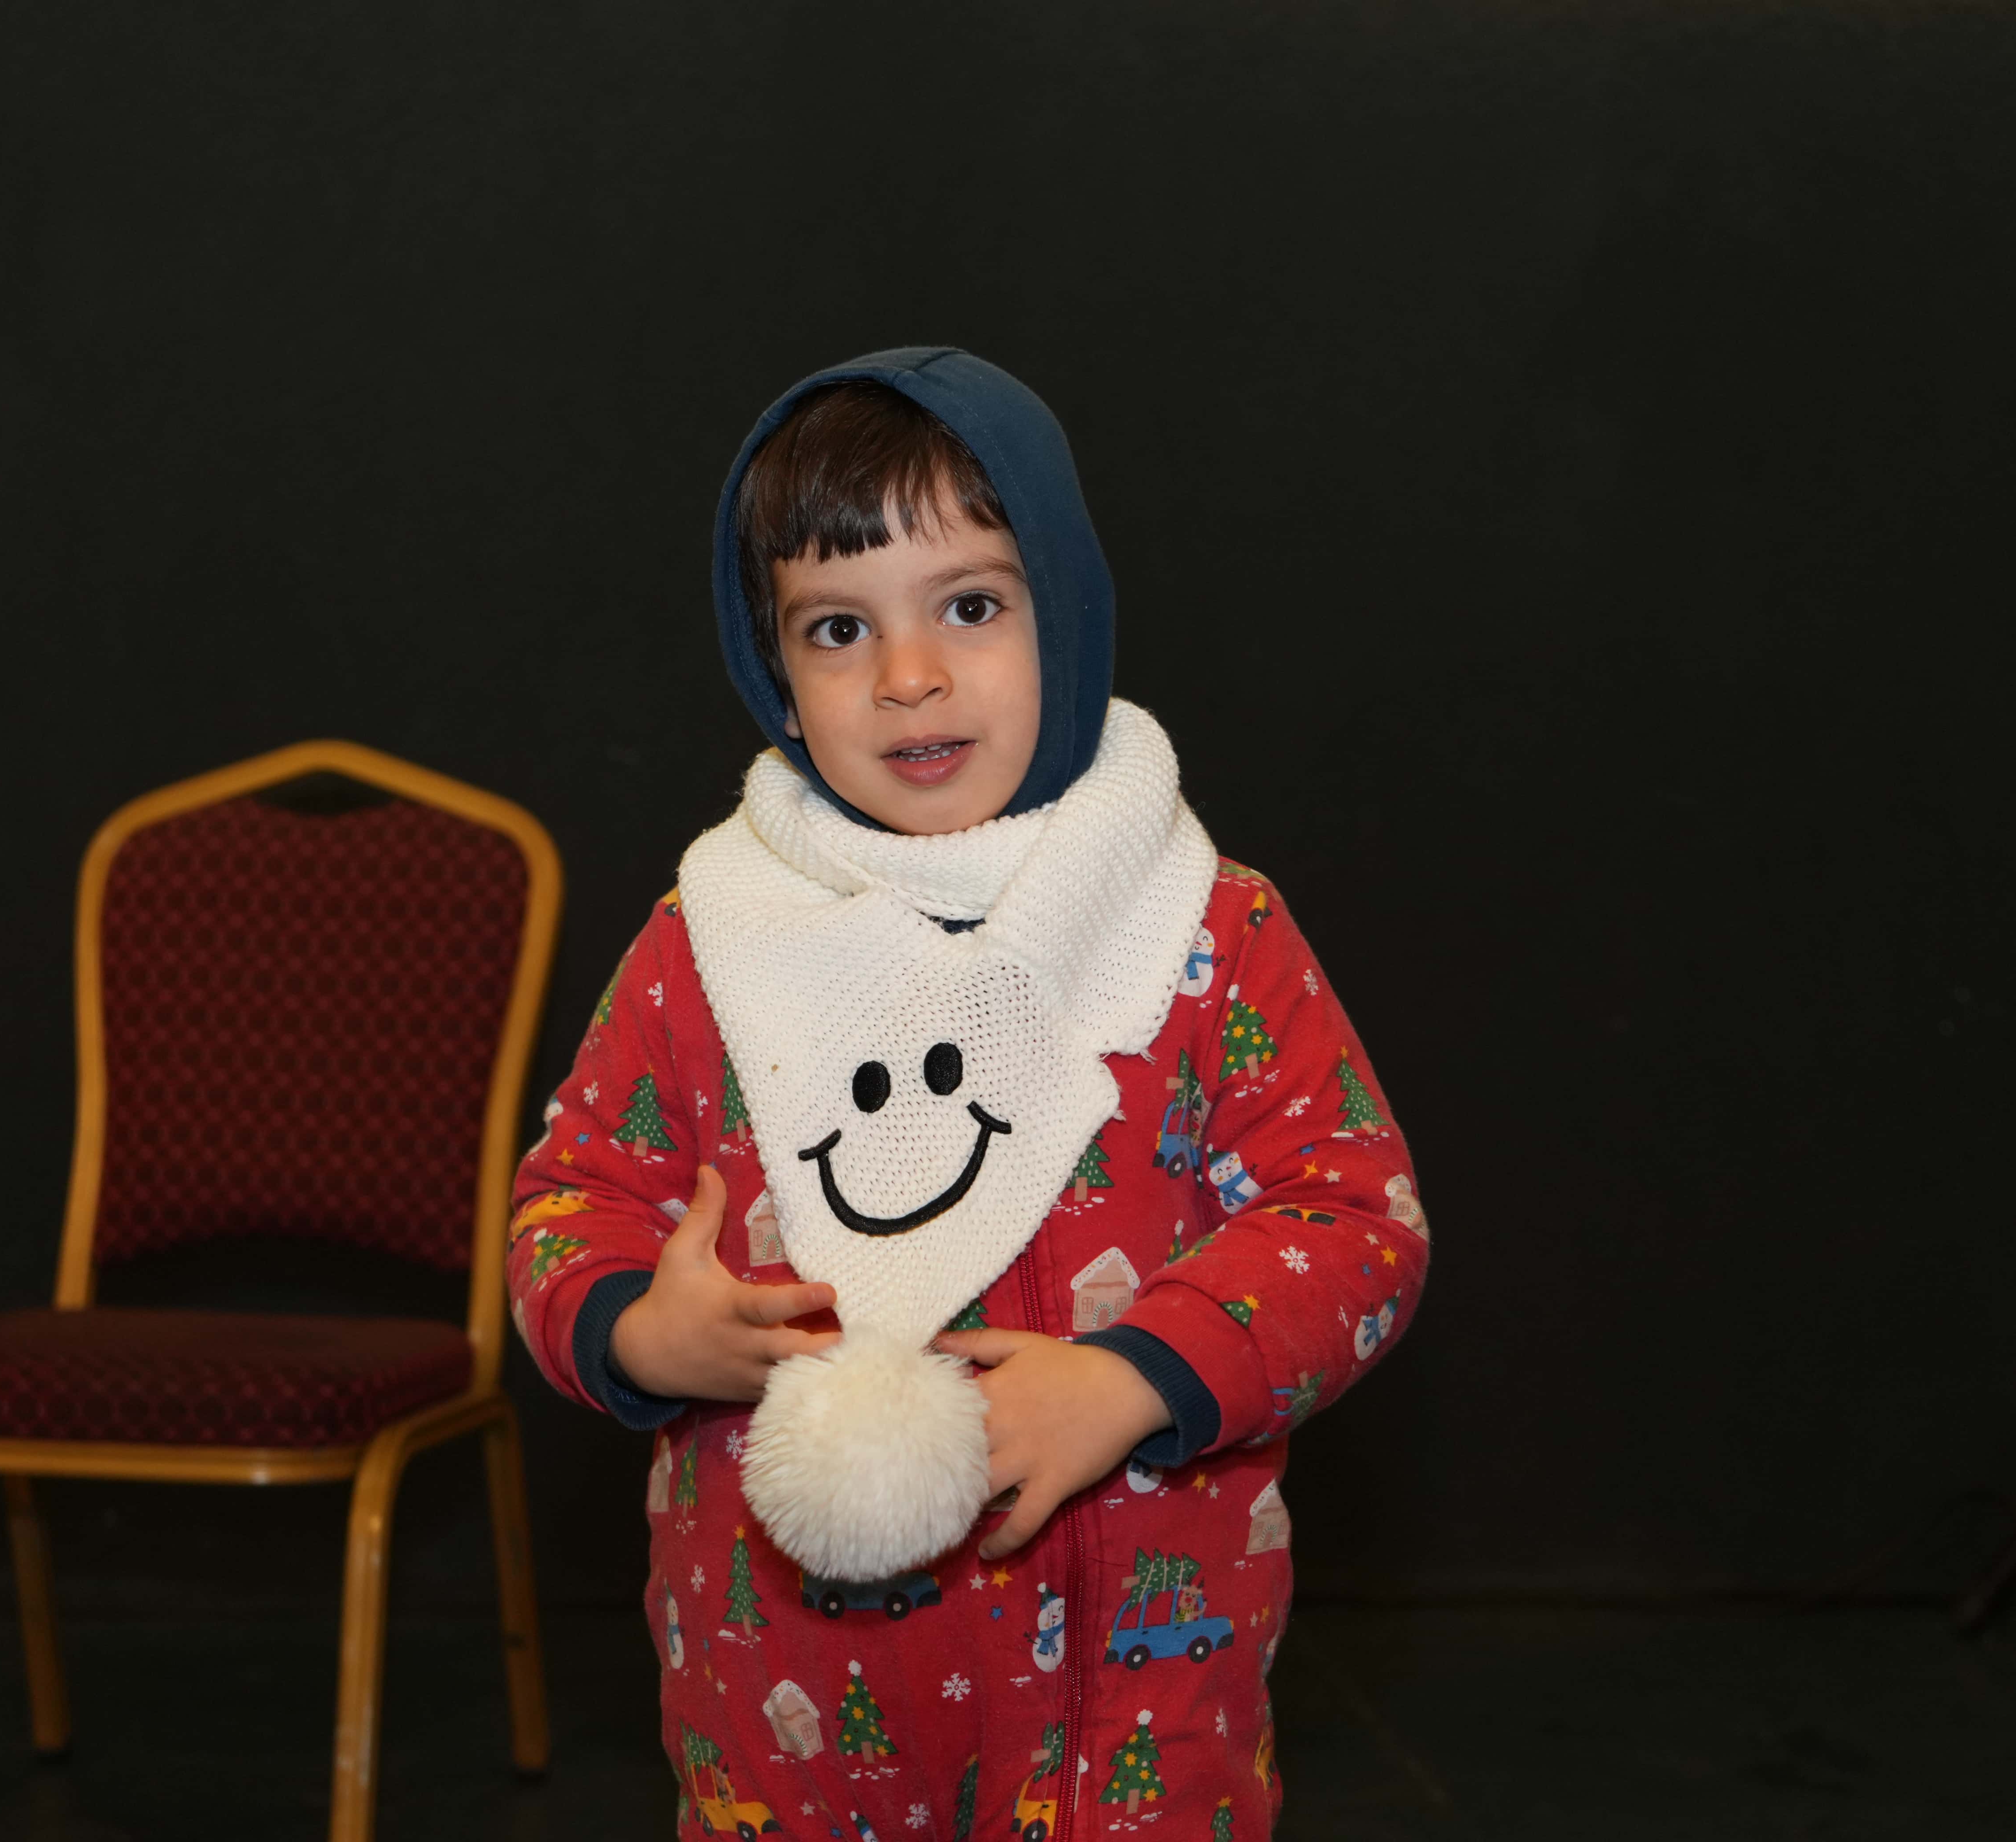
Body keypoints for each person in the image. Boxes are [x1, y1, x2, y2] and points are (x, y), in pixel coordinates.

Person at [507, 348, 1429, 1838]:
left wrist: (1136, 1378)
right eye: (837, 628)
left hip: (1138, 1708)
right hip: (783, 1702)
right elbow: (571, 1203)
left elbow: (1357, 1220)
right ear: (774, 674)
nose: (908, 676)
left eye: (973, 606)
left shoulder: (1208, 927)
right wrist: (640, 1330)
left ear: (1068, 609)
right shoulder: (711, 940)